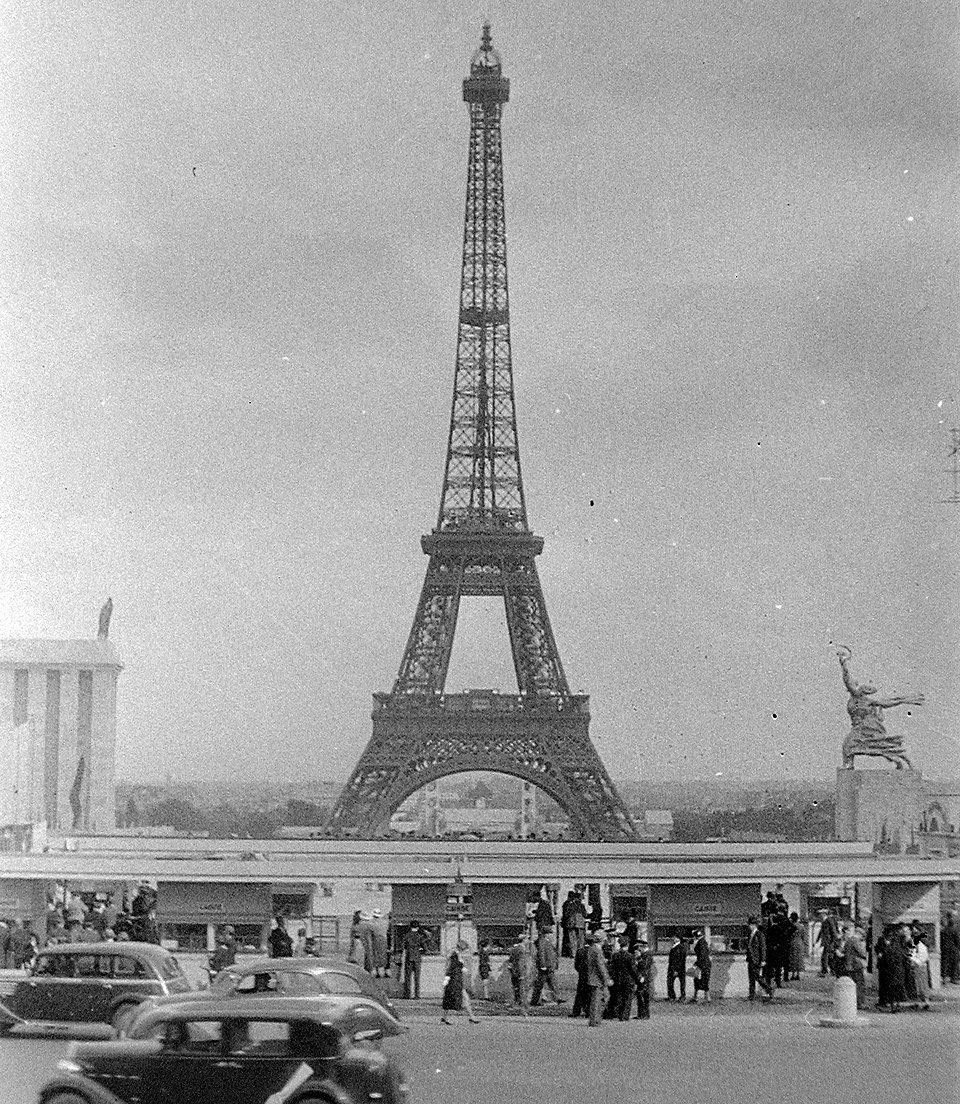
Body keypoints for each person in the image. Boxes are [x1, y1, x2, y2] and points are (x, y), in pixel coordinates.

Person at [441, 941, 480, 1025]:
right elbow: (454, 967)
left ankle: (445, 1018)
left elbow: (453, 966)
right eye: (465, 949)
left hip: (455, 979)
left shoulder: (454, 953)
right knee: (462, 998)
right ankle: (472, 1017)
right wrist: (464, 969)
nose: (465, 951)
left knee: (451, 998)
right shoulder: (455, 954)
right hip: (455, 980)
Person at [876, 926, 907, 1013]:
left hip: (890, 970)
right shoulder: (898, 947)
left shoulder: (889, 948)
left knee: (891, 988)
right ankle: (896, 1005)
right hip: (898, 970)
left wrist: (883, 954)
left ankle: (893, 1006)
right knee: (896, 988)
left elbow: (887, 958)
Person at [608, 934, 639, 1020]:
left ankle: (617, 1013)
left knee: (619, 997)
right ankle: (624, 1016)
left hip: (617, 979)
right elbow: (633, 970)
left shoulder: (615, 955)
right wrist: (637, 979)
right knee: (627, 998)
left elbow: (611, 968)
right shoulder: (630, 956)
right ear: (627, 945)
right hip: (628, 980)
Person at [585, 930, 613, 1027]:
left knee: (603, 997)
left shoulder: (592, 949)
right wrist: (607, 979)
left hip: (594, 978)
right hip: (597, 979)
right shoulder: (597, 950)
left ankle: (596, 1019)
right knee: (597, 1000)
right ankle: (595, 1020)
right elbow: (600, 966)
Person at [530, 931, 564, 1005]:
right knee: (540, 984)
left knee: (552, 983)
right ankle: (534, 1000)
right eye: (550, 934)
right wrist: (543, 965)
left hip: (549, 967)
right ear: (546, 934)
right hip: (545, 967)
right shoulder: (542, 942)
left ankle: (557, 998)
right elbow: (541, 954)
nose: (552, 935)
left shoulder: (547, 942)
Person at [841, 923, 868, 1010]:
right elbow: (862, 953)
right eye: (862, 936)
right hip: (856, 965)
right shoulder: (856, 941)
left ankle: (851, 1002)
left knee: (851, 985)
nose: (862, 938)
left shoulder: (848, 940)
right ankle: (859, 1003)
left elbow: (844, 951)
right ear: (859, 934)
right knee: (860, 984)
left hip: (848, 965)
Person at [746, 917, 773, 1001]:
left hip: (756, 959)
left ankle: (768, 988)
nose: (749, 926)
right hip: (751, 959)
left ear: (754, 925)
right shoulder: (750, 934)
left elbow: (763, 947)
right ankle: (752, 994)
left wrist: (763, 960)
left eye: (751, 925)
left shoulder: (759, 934)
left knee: (757, 976)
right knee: (751, 978)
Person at [402, 920, 429, 999]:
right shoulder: (420, 936)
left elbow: (403, 946)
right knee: (417, 978)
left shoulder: (406, 936)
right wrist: (419, 950)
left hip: (409, 958)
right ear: (418, 927)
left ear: (410, 926)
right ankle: (417, 995)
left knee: (407, 978)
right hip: (417, 959)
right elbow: (426, 950)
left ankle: (407, 995)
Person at [507, 934, 531, 1015]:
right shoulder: (521, 949)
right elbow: (520, 963)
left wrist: (512, 970)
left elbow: (510, 962)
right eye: (527, 939)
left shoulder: (514, 948)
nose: (528, 941)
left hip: (514, 972)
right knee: (522, 990)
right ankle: (524, 1008)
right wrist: (522, 974)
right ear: (523, 940)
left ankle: (515, 1005)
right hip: (520, 972)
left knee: (516, 989)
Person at [688, 930, 712, 1004]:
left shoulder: (701, 943)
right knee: (700, 980)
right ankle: (702, 997)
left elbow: (702, 955)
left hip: (703, 965)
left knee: (702, 979)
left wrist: (697, 964)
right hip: (705, 964)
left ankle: (706, 997)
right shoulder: (703, 942)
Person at [910, 932, 932, 1011]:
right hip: (919, 967)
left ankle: (924, 1002)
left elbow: (922, 958)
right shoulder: (917, 946)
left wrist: (914, 961)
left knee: (921, 984)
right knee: (920, 984)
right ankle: (921, 1002)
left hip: (920, 966)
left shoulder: (920, 947)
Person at [633, 938, 653, 1020]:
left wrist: (643, 977)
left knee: (643, 996)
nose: (638, 950)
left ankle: (644, 1014)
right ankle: (641, 1013)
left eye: (639, 948)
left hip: (645, 978)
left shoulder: (647, 955)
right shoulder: (644, 955)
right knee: (640, 996)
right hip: (643, 977)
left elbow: (645, 967)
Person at [570, 939, 590, 1018]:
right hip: (591, 976)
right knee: (589, 994)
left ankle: (576, 1011)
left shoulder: (579, 951)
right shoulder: (594, 951)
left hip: (582, 975)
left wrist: (580, 971)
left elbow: (576, 965)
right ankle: (588, 1011)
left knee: (580, 994)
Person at [665, 934, 687, 1001]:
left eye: (675, 938)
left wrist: (675, 970)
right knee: (681, 982)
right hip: (679, 968)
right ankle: (680, 996)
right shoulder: (678, 947)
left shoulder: (679, 947)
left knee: (671, 981)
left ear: (678, 939)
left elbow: (678, 959)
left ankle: (673, 996)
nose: (673, 939)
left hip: (676, 968)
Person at [567, 891, 588, 958]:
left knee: (572, 939)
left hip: (572, 923)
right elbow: (585, 914)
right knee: (581, 939)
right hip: (580, 923)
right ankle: (580, 953)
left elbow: (567, 914)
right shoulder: (582, 905)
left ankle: (573, 953)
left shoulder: (571, 905)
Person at [941, 913, 960, 984]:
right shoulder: (955, 930)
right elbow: (957, 940)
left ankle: (944, 978)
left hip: (945, 948)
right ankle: (953, 978)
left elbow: (941, 940)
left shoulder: (943, 930)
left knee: (945, 963)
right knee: (954, 963)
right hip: (953, 948)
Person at [370, 909, 389, 978]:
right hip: (384, 940)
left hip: (375, 939)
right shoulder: (385, 922)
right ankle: (382, 972)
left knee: (375, 955)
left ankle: (376, 972)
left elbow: (371, 933)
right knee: (383, 955)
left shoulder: (371, 922)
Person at [787, 912, 805, 980]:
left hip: (792, 943)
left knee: (792, 958)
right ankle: (798, 974)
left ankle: (793, 974)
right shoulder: (801, 926)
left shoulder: (791, 926)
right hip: (799, 943)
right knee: (799, 958)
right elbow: (803, 936)